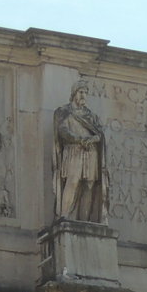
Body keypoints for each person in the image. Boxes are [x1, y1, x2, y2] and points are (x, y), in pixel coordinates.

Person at [53, 80, 106, 223]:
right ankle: (64, 215)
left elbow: (100, 133)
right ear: (74, 94)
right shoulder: (65, 112)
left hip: (90, 152)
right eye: (81, 92)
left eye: (85, 93)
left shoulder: (91, 116)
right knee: (73, 181)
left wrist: (93, 139)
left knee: (89, 184)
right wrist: (78, 139)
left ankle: (84, 220)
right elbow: (62, 131)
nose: (84, 95)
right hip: (73, 151)